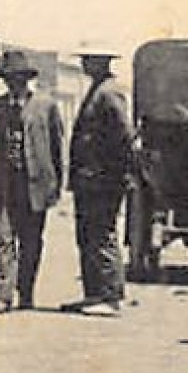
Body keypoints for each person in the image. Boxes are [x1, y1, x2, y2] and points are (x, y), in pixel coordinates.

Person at [0, 49, 65, 313]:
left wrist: (56, 185)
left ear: (26, 80)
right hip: (4, 185)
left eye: (18, 78)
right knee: (3, 238)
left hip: (35, 185)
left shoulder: (46, 107)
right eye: (8, 78)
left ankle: (26, 291)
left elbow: (56, 149)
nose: (13, 83)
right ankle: (2, 294)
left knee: (31, 242)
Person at [61, 47, 133, 317]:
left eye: (87, 60)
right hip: (89, 179)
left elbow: (123, 135)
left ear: (101, 62)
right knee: (88, 235)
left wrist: (113, 171)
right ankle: (94, 294)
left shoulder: (109, 92)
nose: (83, 64)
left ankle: (110, 295)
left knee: (102, 234)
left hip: (102, 179)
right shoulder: (97, 90)